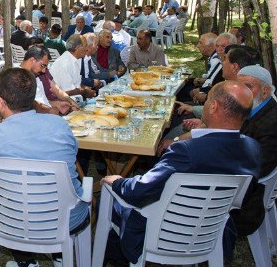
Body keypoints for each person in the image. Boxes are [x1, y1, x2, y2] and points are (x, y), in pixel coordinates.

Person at [101, 81, 261, 264]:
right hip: (212, 231)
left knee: (111, 198)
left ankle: (113, 259)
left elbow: (140, 191)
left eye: (207, 100)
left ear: (214, 106)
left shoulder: (187, 151)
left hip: (164, 233)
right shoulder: (253, 149)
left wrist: (118, 181)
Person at [0, 68, 89, 267]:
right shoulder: (60, 126)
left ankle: (26, 260)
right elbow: (72, 158)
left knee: (17, 200)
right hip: (66, 220)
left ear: (1, 102)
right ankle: (57, 253)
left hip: (12, 220)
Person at [21, 45, 76, 115]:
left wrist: (57, 104)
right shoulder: (18, 79)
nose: (44, 71)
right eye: (42, 66)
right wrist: (51, 110)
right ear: (32, 60)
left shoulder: (35, 74)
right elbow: (27, 106)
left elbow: (41, 101)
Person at [51, 34, 95, 99]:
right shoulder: (64, 63)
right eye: (85, 46)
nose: (87, 49)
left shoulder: (77, 59)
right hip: (62, 102)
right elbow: (67, 92)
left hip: (74, 99)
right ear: (77, 48)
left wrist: (85, 88)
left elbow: (76, 84)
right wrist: (85, 92)